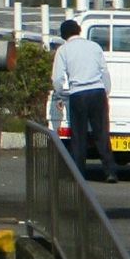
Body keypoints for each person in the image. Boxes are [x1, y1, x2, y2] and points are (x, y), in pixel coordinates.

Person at [52, 19, 118, 184]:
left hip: (78, 94)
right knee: (101, 133)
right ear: (79, 30)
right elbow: (104, 71)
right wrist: (106, 91)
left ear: (63, 34)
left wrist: (60, 95)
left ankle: (78, 174)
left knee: (78, 136)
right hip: (97, 91)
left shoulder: (63, 50)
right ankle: (110, 172)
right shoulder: (94, 46)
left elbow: (58, 77)